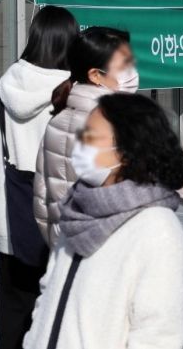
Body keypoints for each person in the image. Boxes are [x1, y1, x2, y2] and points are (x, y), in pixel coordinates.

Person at [23, 93, 183, 349]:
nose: (79, 144)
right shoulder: (78, 209)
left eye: (91, 137)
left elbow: (158, 336)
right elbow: (48, 295)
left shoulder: (157, 230)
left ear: (126, 151)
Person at [0, 6, 78, 349]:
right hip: (60, 219)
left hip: (13, 215)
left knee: (13, 316)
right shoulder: (72, 91)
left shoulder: (5, 85)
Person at [33, 26, 135, 245]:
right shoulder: (111, 125)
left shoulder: (58, 120)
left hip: (68, 251)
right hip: (107, 254)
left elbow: (42, 200)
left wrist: (58, 245)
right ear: (96, 75)